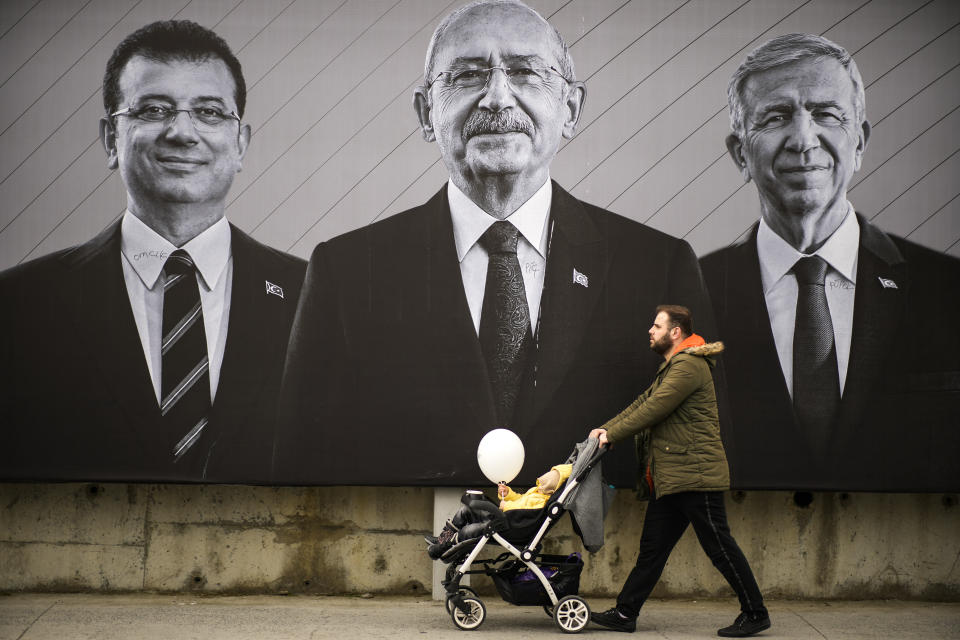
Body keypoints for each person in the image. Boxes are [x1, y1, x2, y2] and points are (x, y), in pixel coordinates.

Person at [275, 0, 715, 487]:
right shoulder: (348, 274)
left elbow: (701, 462)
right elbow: (300, 481)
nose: (497, 98)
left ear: (570, 109)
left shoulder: (656, 267)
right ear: (426, 112)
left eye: (526, 72)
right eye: (467, 75)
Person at [0, 20, 306, 483]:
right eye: (155, 109)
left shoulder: (316, 296)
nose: (183, 132)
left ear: (240, 143)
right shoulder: (20, 305)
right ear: (110, 140)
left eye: (209, 111)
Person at [699, 33, 960, 491]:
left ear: (858, 143)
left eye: (825, 114)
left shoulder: (949, 291)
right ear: (741, 153)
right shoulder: (688, 295)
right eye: (777, 117)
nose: (803, 139)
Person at [588, 305, 769, 637]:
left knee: (719, 547)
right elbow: (642, 402)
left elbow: (655, 409)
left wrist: (613, 435)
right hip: (674, 478)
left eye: (656, 325)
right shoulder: (673, 366)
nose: (650, 330)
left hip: (696, 476)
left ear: (676, 332)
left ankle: (755, 612)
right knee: (653, 549)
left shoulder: (688, 366)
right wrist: (604, 429)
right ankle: (626, 613)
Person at [426, 464, 571, 559]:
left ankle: (443, 548)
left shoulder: (541, 502)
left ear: (552, 490)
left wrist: (505, 505)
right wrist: (508, 493)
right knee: (467, 510)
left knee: (470, 531)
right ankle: (443, 538)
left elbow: (524, 513)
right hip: (506, 519)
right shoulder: (536, 492)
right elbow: (520, 499)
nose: (539, 486)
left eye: (543, 485)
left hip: (512, 527)